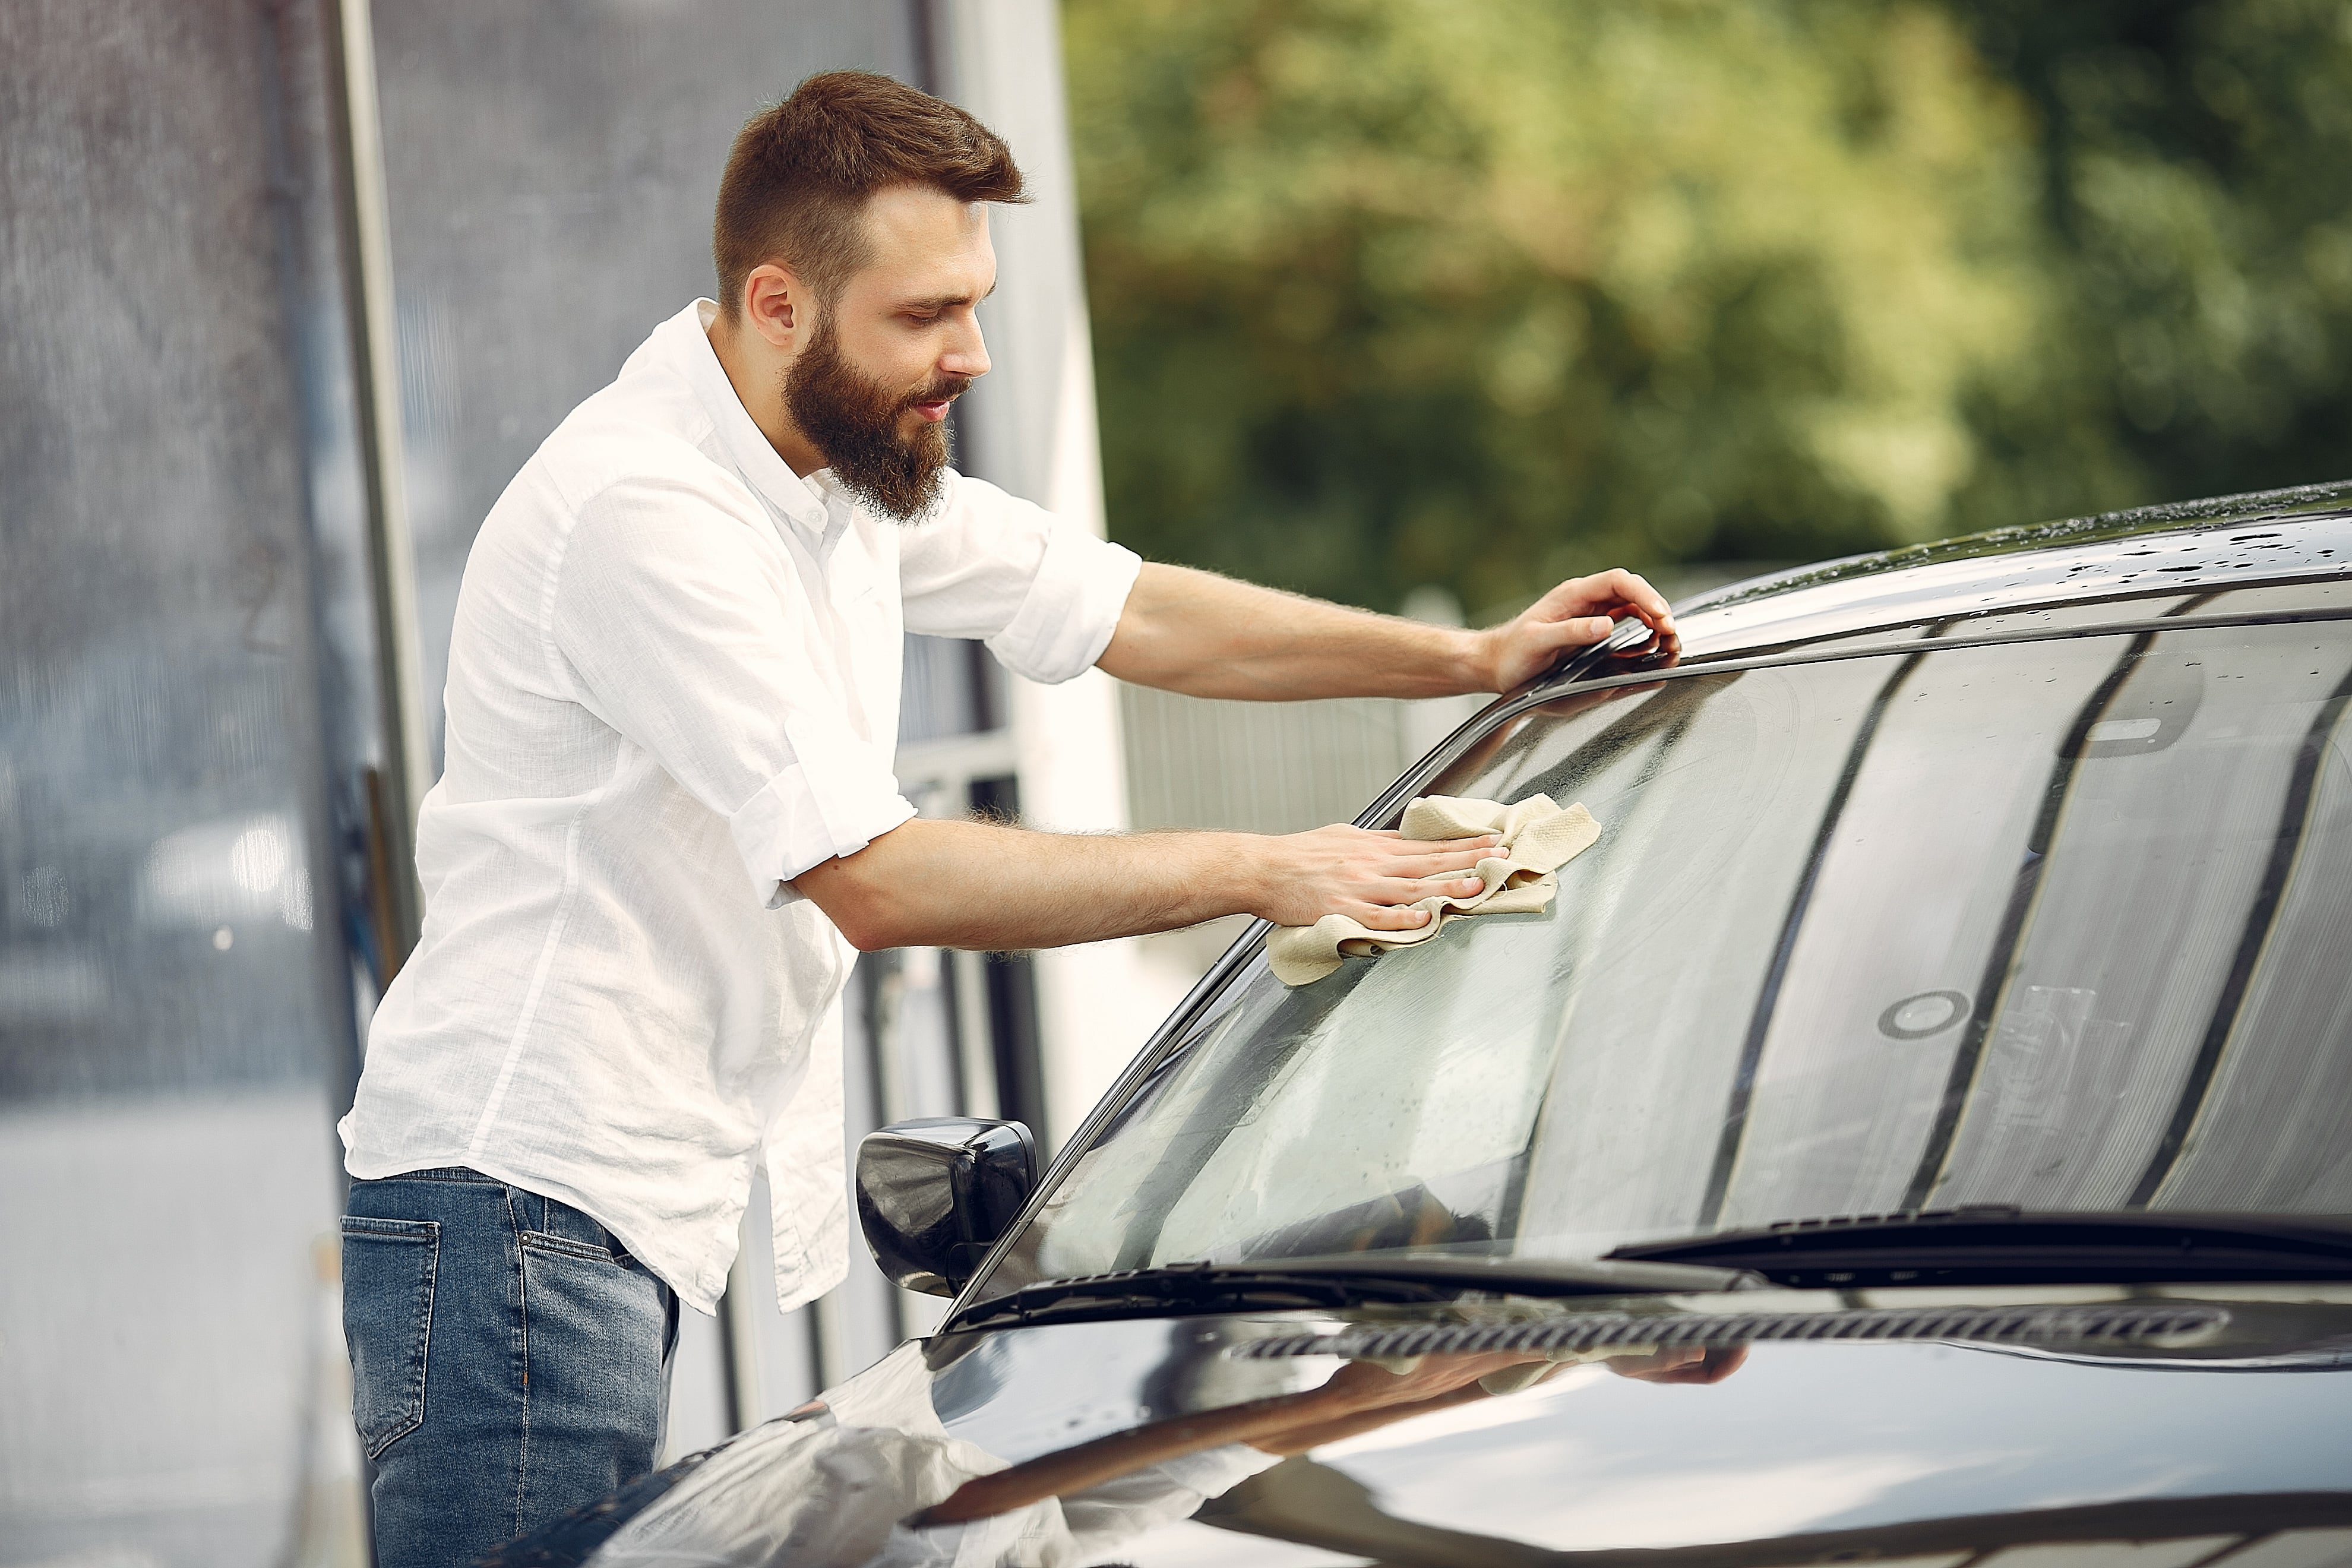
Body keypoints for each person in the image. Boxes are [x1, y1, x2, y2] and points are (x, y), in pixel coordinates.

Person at [336, 69, 1674, 1568]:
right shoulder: (648, 515)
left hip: (594, 1209)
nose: (968, 353)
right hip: (517, 1206)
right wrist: (1266, 868)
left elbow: (1129, 610)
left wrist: (1470, 658)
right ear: (778, 304)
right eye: (924, 316)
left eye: (974, 303)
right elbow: (882, 879)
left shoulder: (830, 469)